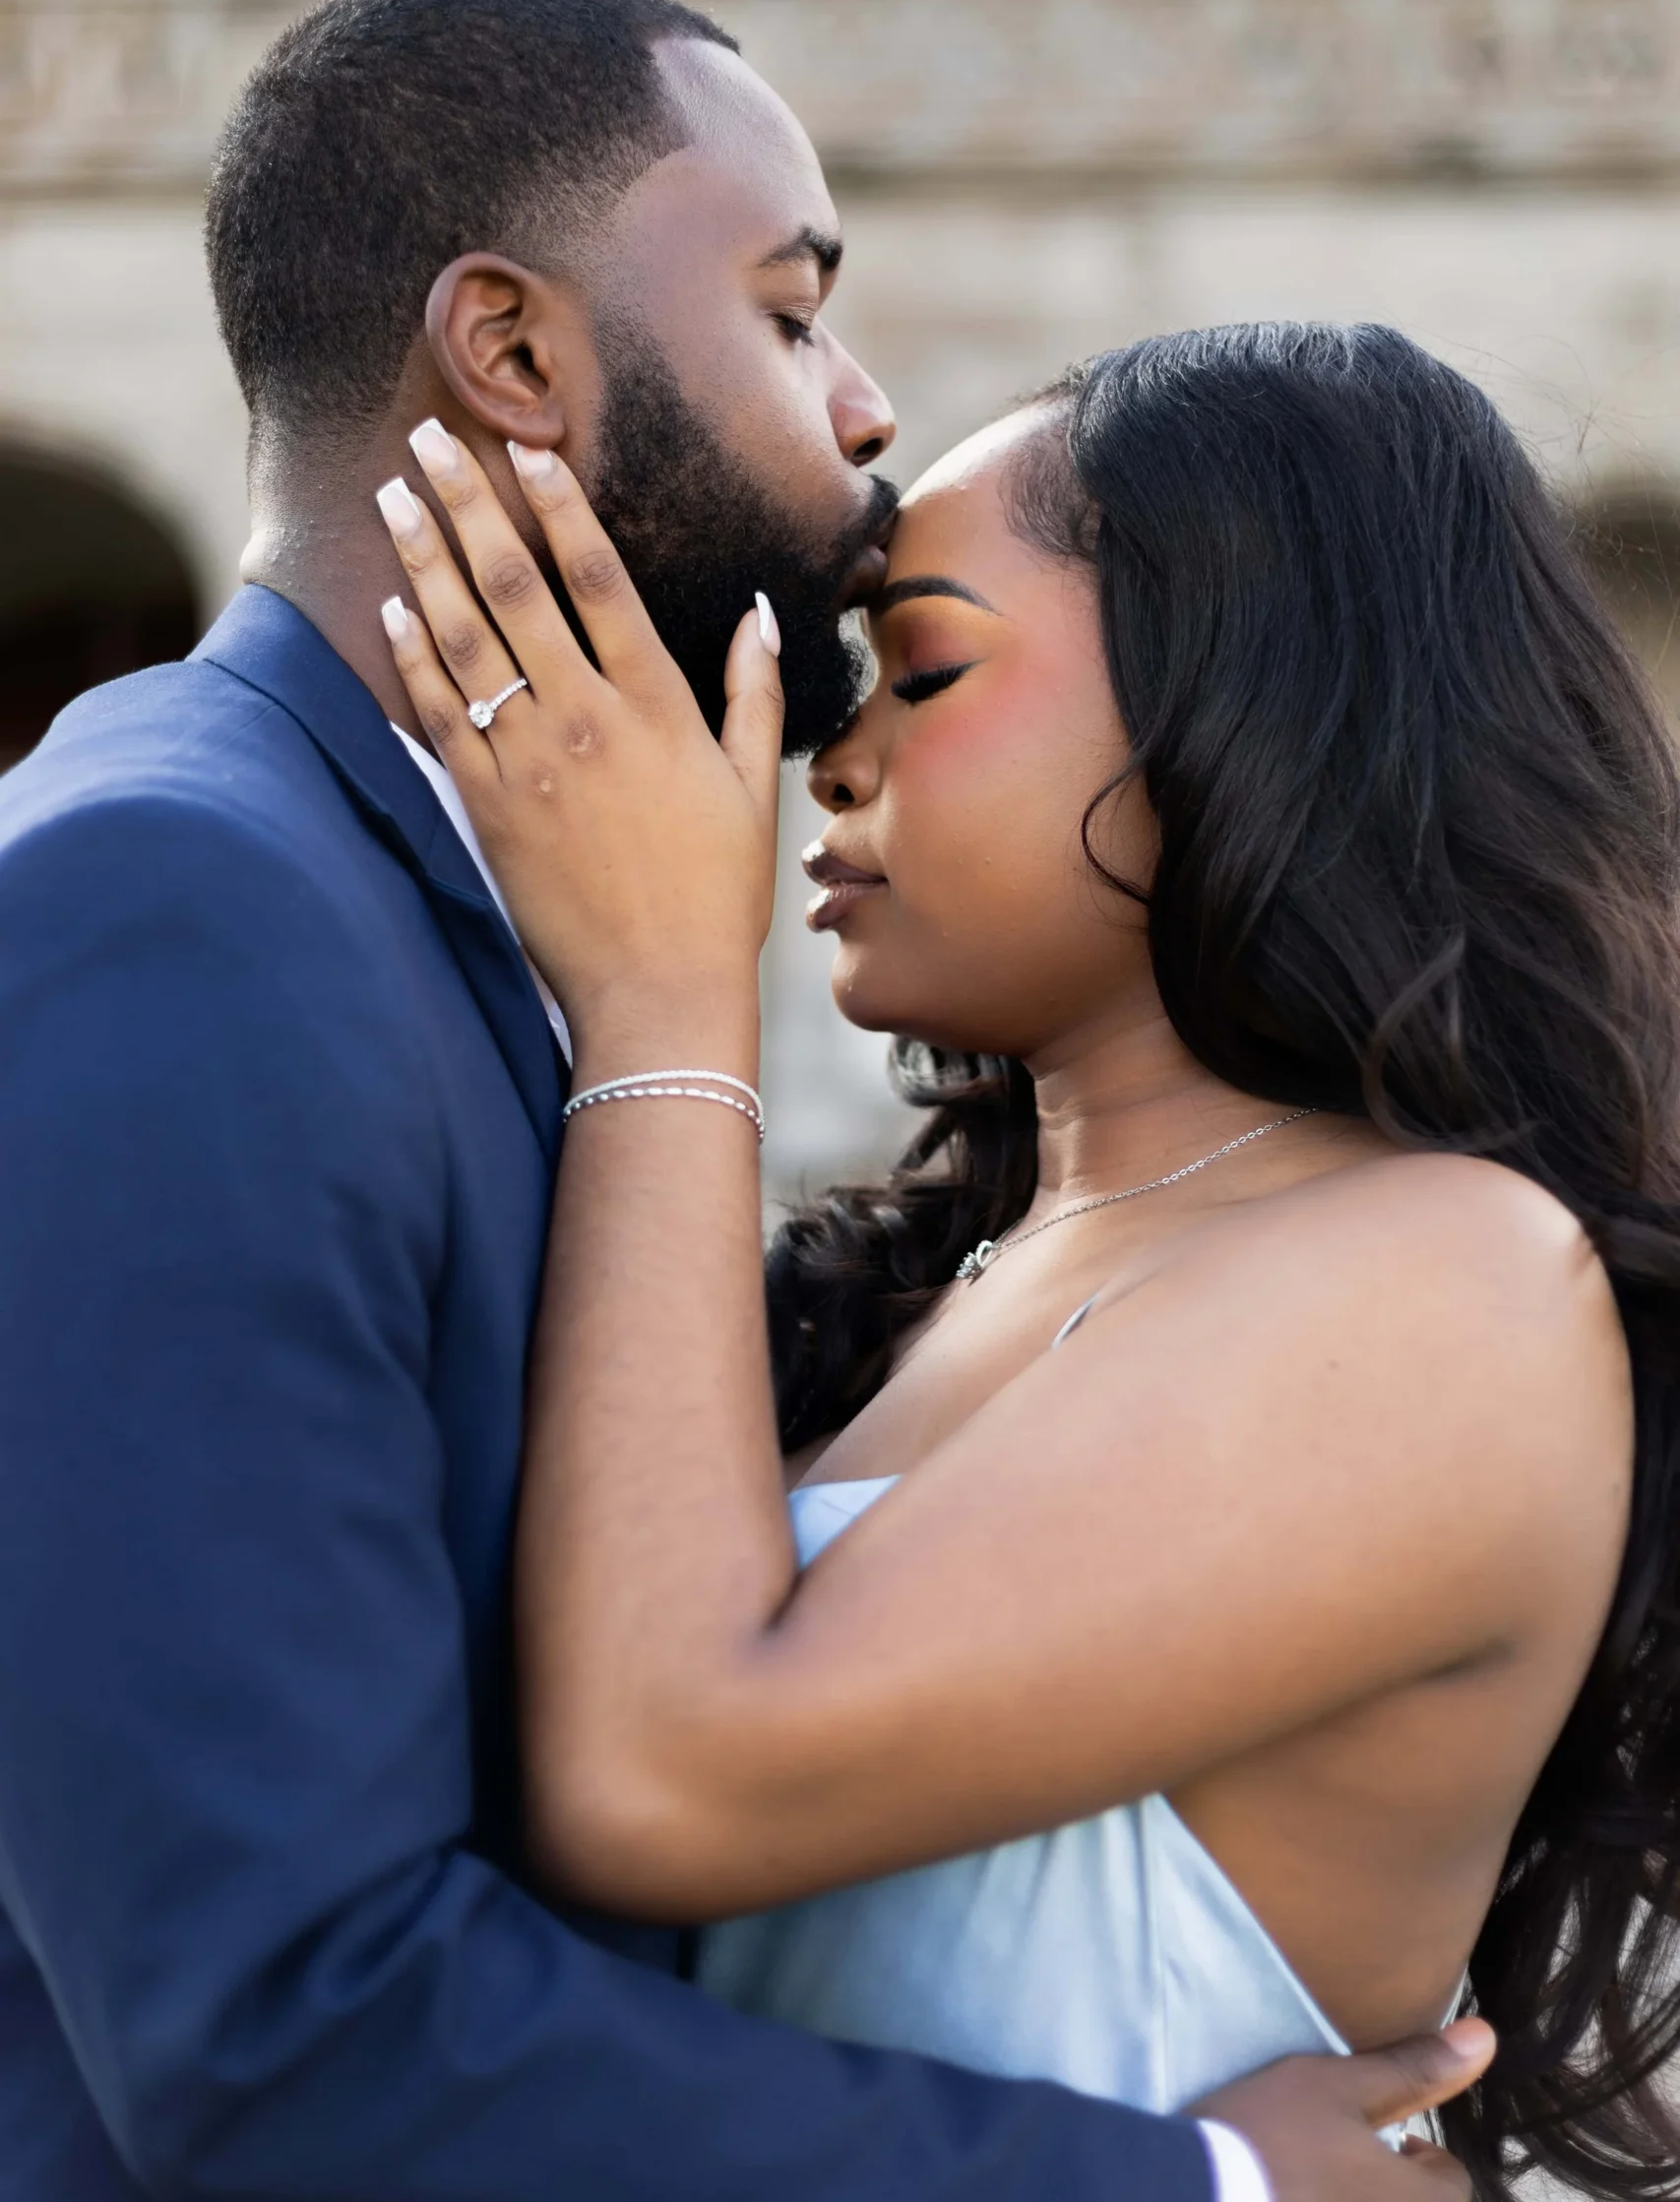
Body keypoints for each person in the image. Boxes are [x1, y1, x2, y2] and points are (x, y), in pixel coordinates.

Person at [0, 0, 1485, 2201]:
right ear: (513, 354)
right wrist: (1192, 2185)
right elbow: (288, 2024)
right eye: (792, 315)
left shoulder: (405, 905)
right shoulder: (177, 907)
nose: (865, 407)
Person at [377, 320, 1680, 2202]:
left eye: (921, 670)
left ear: (1244, 703)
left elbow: (667, 1776)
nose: (836, 760)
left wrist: (663, 996)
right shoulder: (958, 1275)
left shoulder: (1448, 1277)